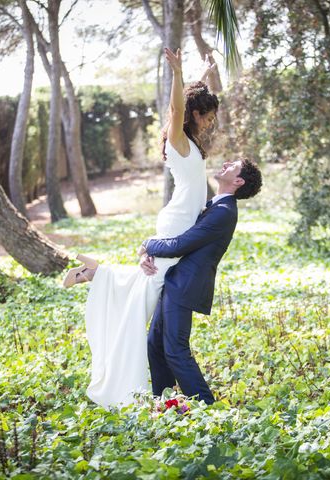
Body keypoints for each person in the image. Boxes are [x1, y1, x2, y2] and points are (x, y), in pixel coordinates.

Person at [62, 48, 218, 408]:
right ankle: (97, 277)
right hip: (178, 221)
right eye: (208, 116)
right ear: (195, 115)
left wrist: (204, 76)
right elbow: (180, 108)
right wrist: (177, 73)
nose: (210, 123)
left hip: (178, 220)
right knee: (143, 300)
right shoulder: (178, 138)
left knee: (147, 287)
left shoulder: (188, 141)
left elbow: (190, 104)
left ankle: (96, 273)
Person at [139, 158, 262, 404]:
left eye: (233, 166)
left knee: (175, 350)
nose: (225, 164)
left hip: (186, 285)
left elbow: (181, 244)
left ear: (238, 181)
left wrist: (146, 244)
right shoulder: (213, 205)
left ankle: (207, 407)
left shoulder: (224, 212)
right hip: (175, 280)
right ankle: (165, 403)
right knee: (155, 345)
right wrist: (149, 252)